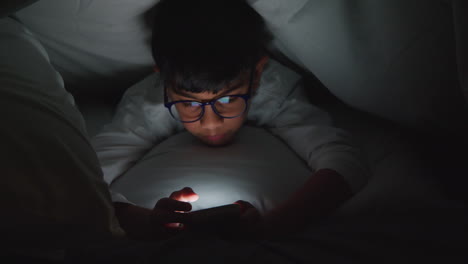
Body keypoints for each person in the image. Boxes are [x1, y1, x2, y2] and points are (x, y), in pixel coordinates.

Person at [92, 0, 369, 240]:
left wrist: (274, 223)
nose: (211, 123)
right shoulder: (147, 103)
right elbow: (87, 174)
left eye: (226, 100)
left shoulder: (274, 90)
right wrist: (146, 221)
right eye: (189, 103)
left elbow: (343, 159)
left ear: (257, 72)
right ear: (162, 80)